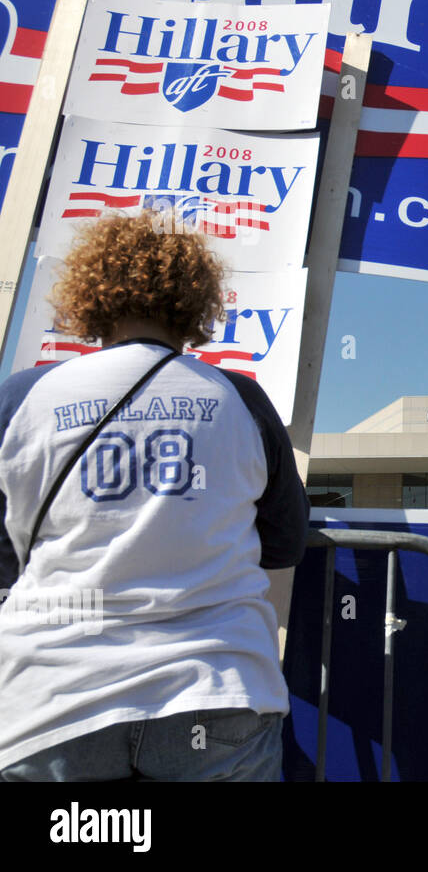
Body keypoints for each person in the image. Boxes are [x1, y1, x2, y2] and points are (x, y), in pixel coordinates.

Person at [0, 212, 308, 781]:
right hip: (215, 688)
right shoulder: (241, 399)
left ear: (89, 297)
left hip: (54, 699)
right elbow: (284, 542)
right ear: (195, 304)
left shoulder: (23, 397)